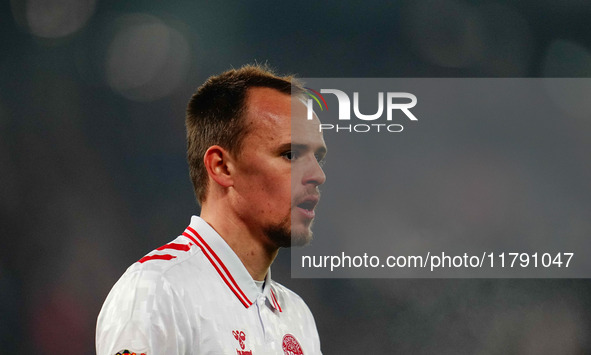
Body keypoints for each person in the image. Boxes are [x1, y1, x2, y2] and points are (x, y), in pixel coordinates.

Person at [96, 64, 326, 355]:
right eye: (291, 154)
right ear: (222, 166)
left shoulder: (297, 316)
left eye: (318, 158)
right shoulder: (157, 291)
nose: (318, 175)